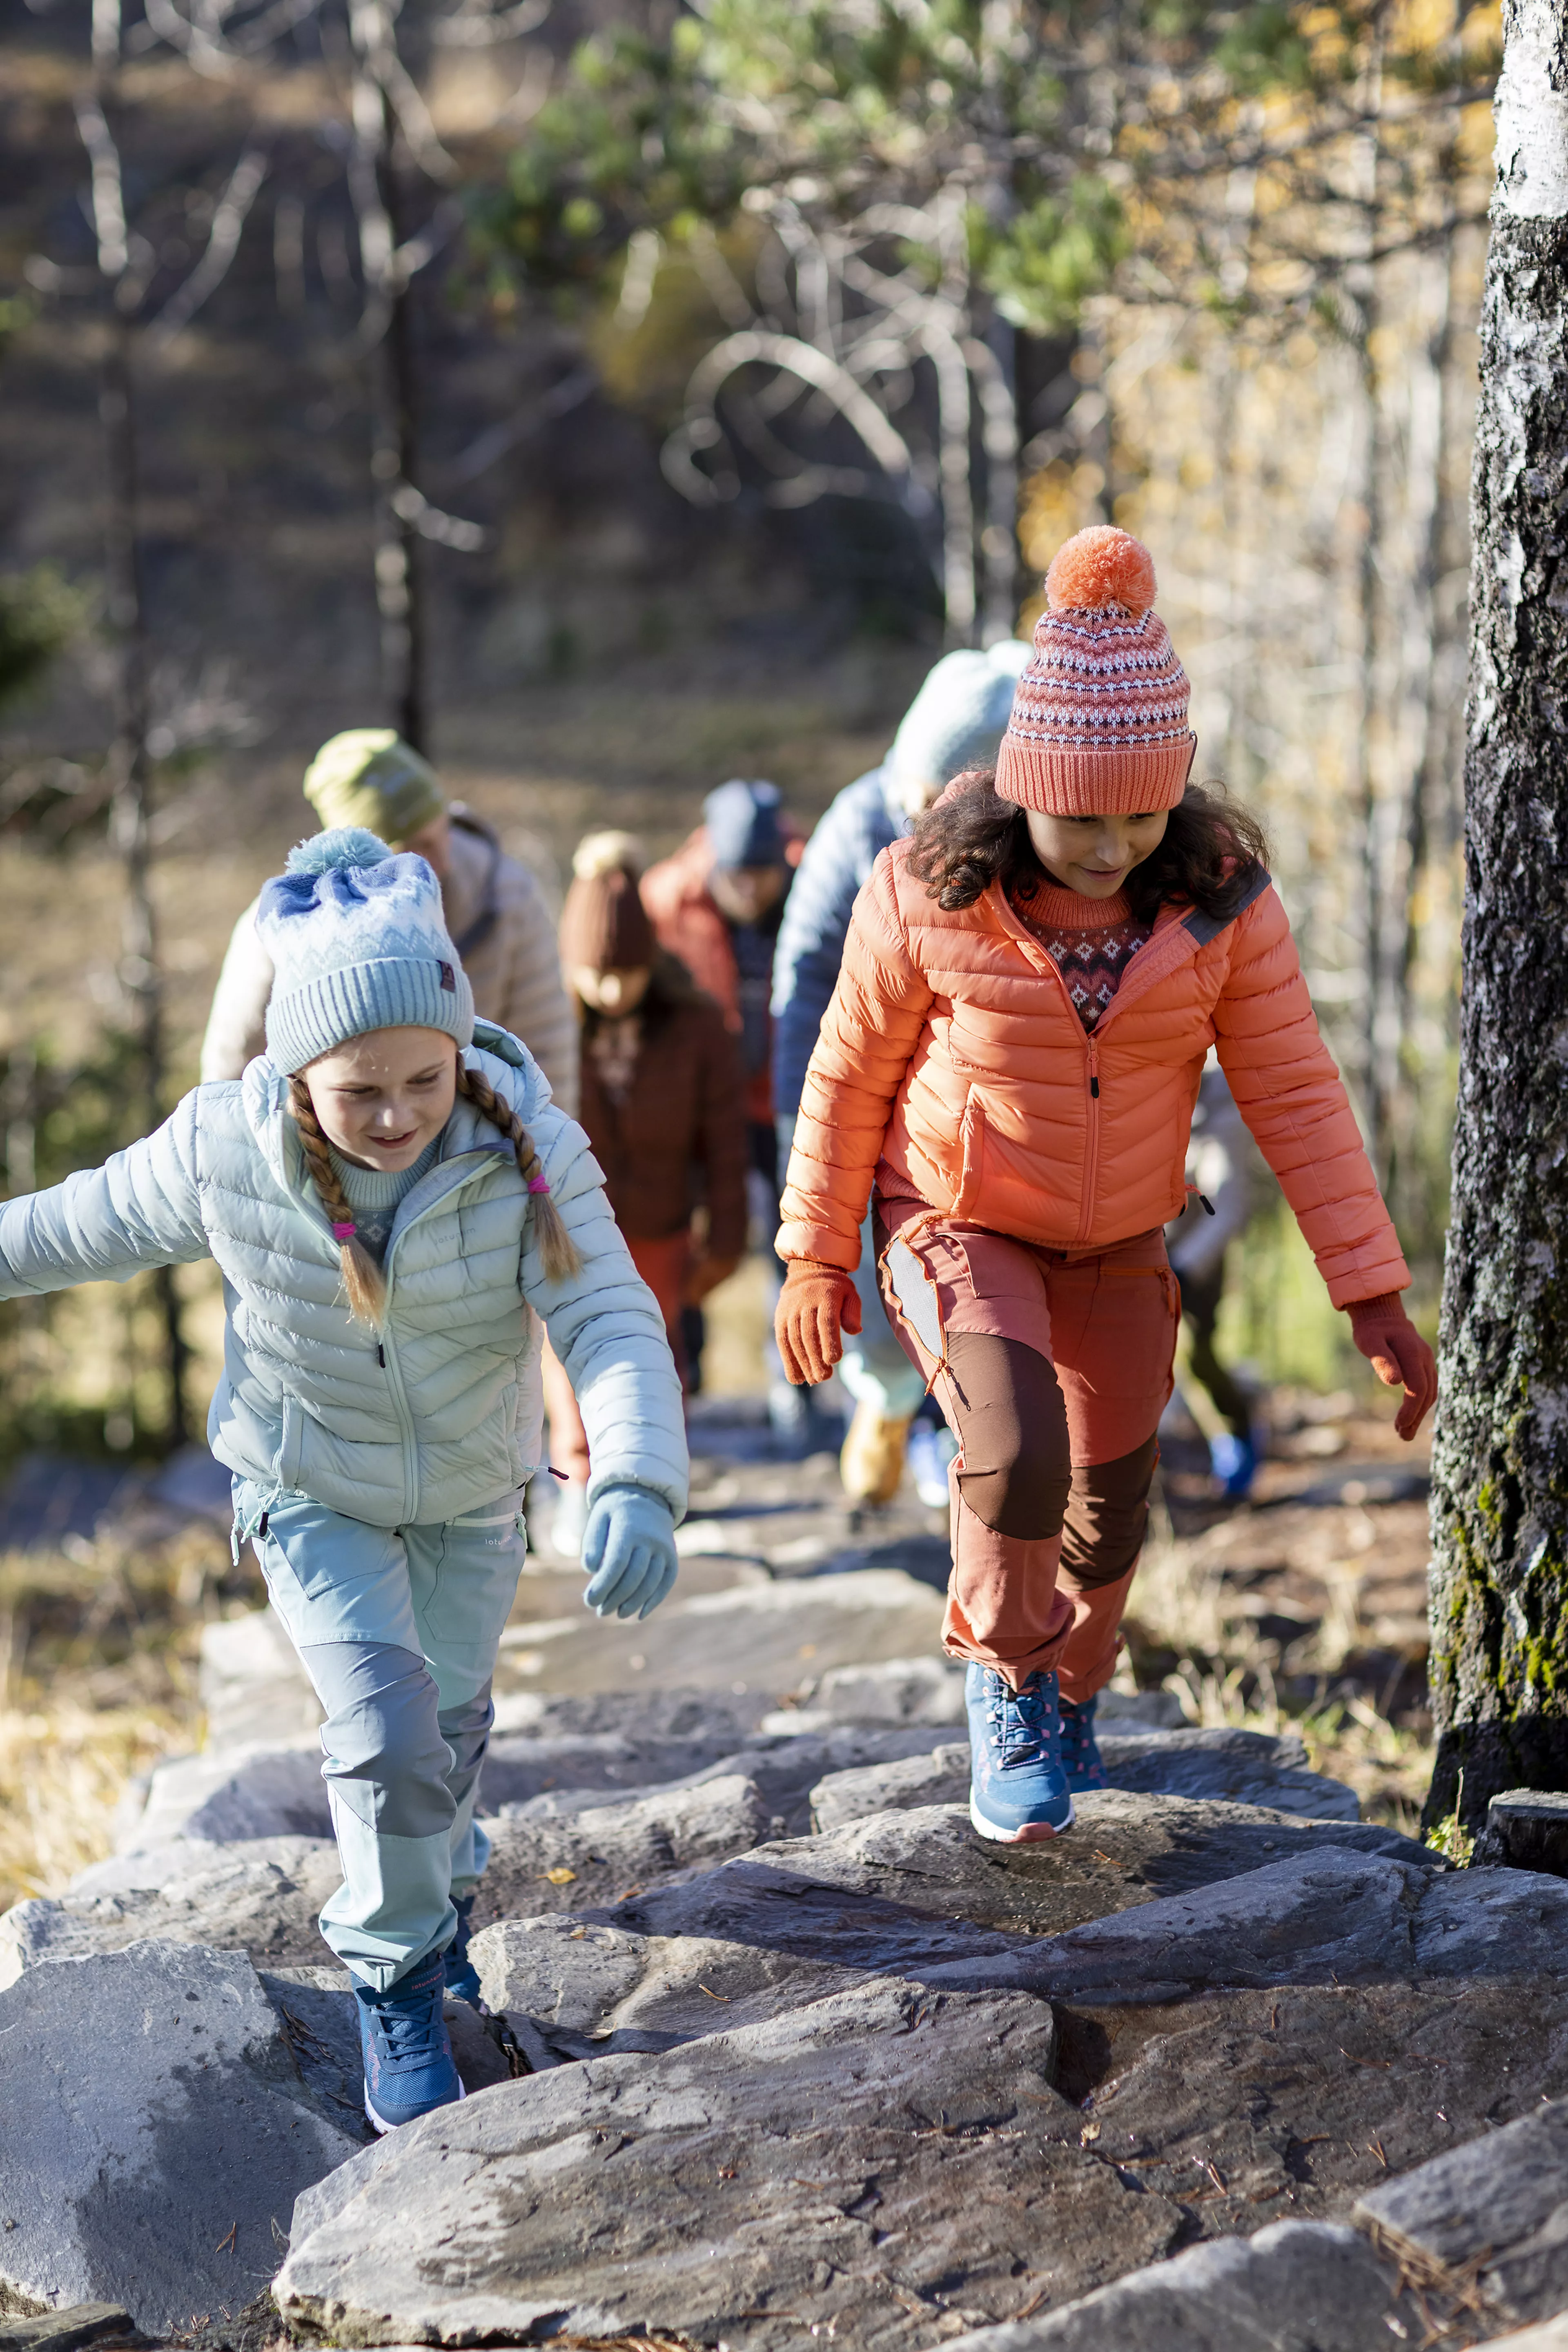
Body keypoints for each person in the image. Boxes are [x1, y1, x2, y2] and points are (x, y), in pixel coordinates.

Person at [0, 827, 685, 2130]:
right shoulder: (227, 1150)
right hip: (310, 1486)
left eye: (422, 1079)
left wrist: (637, 1478)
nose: (394, 1115)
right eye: (355, 1089)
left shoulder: (520, 1146)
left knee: (448, 1739)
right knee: (383, 1734)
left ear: (457, 1049)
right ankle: (397, 1978)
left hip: (475, 1498)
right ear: (294, 1068)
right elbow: (73, 1223)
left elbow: (606, 1313)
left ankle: (439, 1895)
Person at [773, 523, 1438, 1846]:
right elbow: (845, 1076)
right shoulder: (927, 895)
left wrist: (1369, 1291)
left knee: (1112, 1497)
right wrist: (813, 1252)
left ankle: (1072, 1685)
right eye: (1080, 813)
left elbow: (1294, 1090)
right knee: (1015, 1451)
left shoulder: (1218, 904)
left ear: (1175, 791)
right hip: (954, 1220)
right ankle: (1007, 1682)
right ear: (1024, 784)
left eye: (1141, 811)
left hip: (1124, 1234)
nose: (1109, 842)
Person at [771, 643, 1030, 1508]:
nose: (924, 820)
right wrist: (799, 1123)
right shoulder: (858, 827)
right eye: (915, 800)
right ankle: (889, 1408)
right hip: (869, 1087)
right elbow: (806, 984)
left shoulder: (1046, 845)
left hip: (982, 1112)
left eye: (942, 804)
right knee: (884, 1303)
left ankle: (955, 1439)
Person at [545, 832, 748, 1555]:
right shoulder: (551, 1028)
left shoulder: (695, 1028)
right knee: (571, 1362)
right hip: (568, 1231)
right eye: (595, 975)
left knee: (655, 1360)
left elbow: (723, 1141)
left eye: (625, 975)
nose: (610, 992)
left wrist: (727, 1237)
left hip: (661, 1228)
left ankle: (655, 1484)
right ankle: (578, 1484)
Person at [200, 728, 578, 1115]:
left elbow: (546, 1054)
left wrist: (541, 1162)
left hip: (484, 1152)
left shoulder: (504, 898)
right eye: (416, 848)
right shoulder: (282, 927)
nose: (442, 863)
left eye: (442, 831)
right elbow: (233, 1070)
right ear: (360, 855)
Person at [641, 779, 801, 1406]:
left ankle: (796, 1381)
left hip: (782, 1098)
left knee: (790, 1237)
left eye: (762, 875)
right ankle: (688, 1375)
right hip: (700, 1100)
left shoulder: (817, 886)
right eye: (737, 875)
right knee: (684, 1233)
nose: (751, 890)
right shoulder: (666, 900)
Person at [1165, 1059, 1267, 1496]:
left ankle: (1235, 1434)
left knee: (1193, 1355)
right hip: (1142, 1242)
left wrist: (1181, 1270)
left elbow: (1227, 1205)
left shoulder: (1220, 1103)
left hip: (1193, 1257)